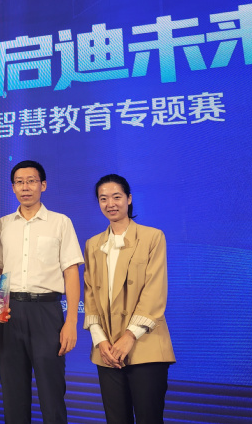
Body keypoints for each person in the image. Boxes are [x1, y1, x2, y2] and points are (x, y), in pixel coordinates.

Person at [0, 160, 84, 424]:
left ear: (43, 185)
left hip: (46, 312)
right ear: (13, 187)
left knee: (52, 393)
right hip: (9, 313)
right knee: (13, 394)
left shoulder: (60, 223)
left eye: (31, 181)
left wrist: (71, 322)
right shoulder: (3, 224)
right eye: (19, 182)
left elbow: (71, 273)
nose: (25, 187)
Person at [83, 174, 176, 424]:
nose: (110, 204)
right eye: (103, 199)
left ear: (129, 199)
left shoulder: (152, 237)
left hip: (145, 344)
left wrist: (129, 336)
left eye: (116, 197)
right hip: (107, 351)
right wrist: (101, 341)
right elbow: (90, 295)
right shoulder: (93, 244)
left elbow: (154, 291)